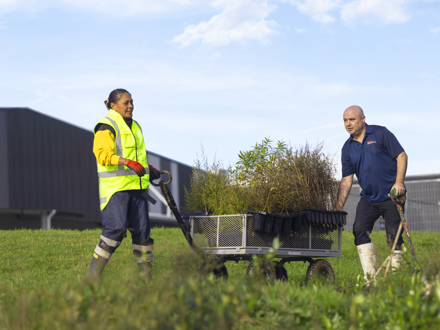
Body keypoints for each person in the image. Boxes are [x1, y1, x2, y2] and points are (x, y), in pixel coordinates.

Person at [86, 88, 161, 281]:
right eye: (126, 103)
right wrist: (128, 163)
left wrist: (147, 167)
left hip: (137, 188)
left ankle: (146, 278)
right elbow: (102, 155)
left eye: (131, 102)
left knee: (143, 235)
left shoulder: (135, 126)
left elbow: (137, 156)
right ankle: (93, 276)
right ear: (113, 105)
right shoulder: (106, 125)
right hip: (116, 189)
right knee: (115, 230)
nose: (131, 106)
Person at [335, 105, 408, 278]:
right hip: (368, 198)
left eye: (352, 119)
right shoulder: (347, 148)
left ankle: (396, 280)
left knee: (393, 236)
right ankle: (372, 279)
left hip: (391, 196)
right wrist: (337, 207)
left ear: (363, 119)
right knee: (359, 230)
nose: (348, 124)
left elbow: (402, 156)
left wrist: (399, 183)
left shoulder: (380, 134)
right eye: (345, 120)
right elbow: (346, 180)